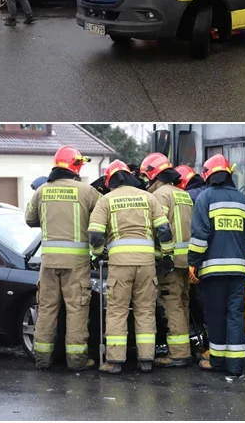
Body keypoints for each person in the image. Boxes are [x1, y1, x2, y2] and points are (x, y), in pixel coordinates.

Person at [90, 160, 173, 375]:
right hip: (147, 265)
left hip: (120, 266)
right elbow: (164, 230)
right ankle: (146, 360)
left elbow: (96, 234)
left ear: (110, 181)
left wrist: (97, 254)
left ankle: (115, 361)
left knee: (117, 311)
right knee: (145, 311)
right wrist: (166, 254)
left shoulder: (106, 200)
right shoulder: (148, 198)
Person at [24, 146, 101, 371]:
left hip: (48, 264)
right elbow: (100, 222)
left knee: (47, 310)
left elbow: (30, 220)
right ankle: (77, 361)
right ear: (76, 166)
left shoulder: (42, 191)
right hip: (77, 265)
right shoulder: (87, 191)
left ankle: (42, 360)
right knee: (77, 310)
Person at [188, 154, 245, 376]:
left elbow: (200, 237)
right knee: (236, 314)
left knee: (216, 315)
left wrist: (193, 263)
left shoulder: (205, 199)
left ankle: (217, 362)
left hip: (212, 272)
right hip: (238, 271)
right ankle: (236, 366)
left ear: (208, 175)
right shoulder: (243, 201)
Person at [140, 153, 195, 368]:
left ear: (154, 175)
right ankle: (184, 349)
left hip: (169, 261)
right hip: (186, 260)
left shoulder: (160, 196)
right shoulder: (183, 194)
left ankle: (179, 354)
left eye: (146, 178)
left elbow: (158, 229)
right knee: (183, 304)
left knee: (172, 306)